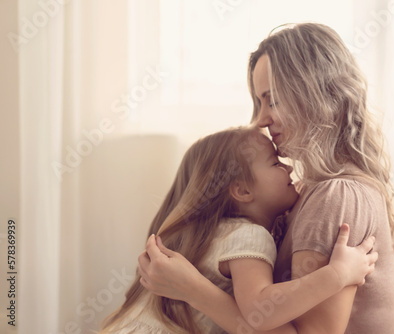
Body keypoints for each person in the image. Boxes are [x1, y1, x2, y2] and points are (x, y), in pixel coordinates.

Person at [138, 22, 394, 333]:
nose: (261, 119)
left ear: (315, 94)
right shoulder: (302, 195)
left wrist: (193, 290)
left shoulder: (337, 196)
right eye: (259, 102)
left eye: (272, 100)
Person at [101, 126, 378, 334]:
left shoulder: (209, 237)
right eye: (274, 163)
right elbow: (261, 310)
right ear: (243, 190)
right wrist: (338, 274)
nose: (288, 166)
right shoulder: (248, 236)